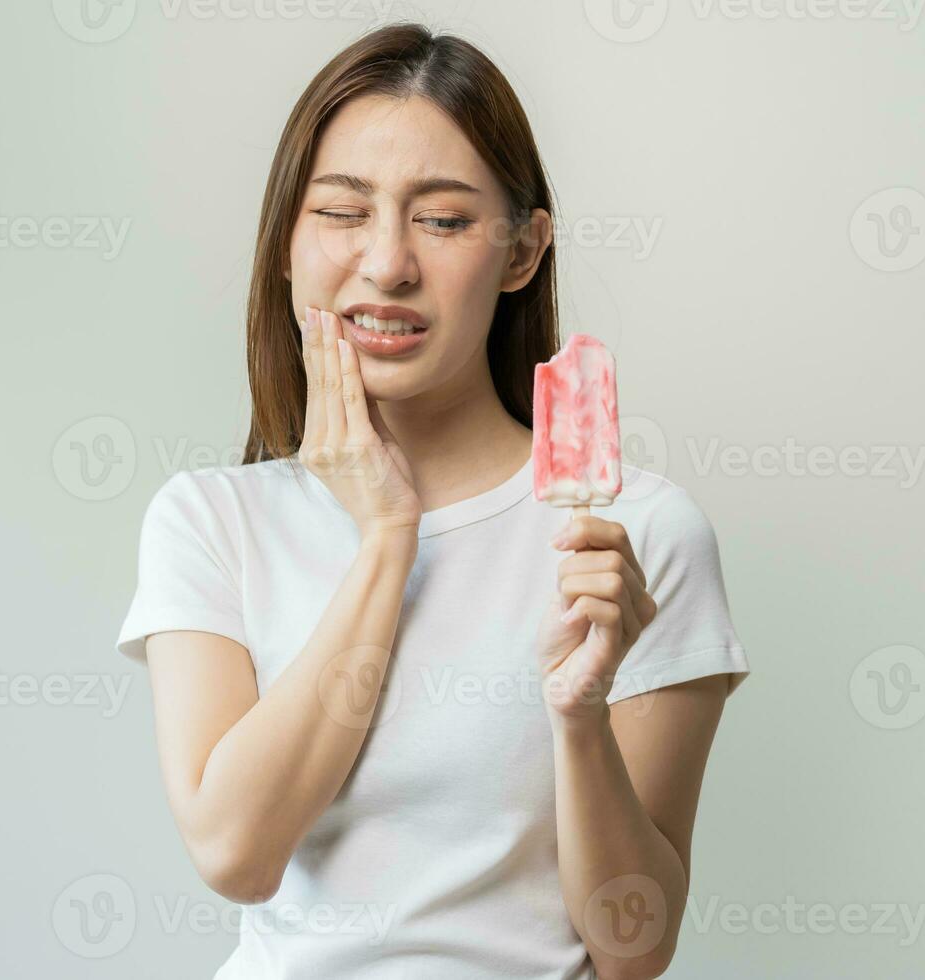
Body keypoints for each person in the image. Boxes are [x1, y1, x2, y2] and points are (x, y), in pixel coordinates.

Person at [117, 22, 751, 980]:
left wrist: (579, 720)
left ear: (523, 252)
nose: (386, 264)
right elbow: (237, 856)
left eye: (444, 220)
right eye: (341, 212)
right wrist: (387, 537)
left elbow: (636, 948)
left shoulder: (636, 535)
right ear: (285, 246)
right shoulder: (209, 523)